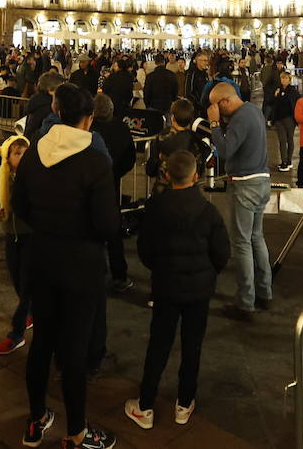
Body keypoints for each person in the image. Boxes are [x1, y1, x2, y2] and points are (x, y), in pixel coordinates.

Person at [13, 83, 120, 449]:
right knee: (73, 349)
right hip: (81, 263)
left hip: (41, 257)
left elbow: (20, 205)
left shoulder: (34, 153)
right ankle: (76, 431)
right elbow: (108, 224)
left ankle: (36, 417)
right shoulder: (94, 161)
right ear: (88, 118)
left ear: (57, 111)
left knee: (42, 341)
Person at [123, 150, 229, 432]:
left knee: (158, 345)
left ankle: (145, 406)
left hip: (166, 288)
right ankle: (184, 403)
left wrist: (160, 268)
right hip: (198, 291)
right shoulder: (208, 211)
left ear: (167, 175)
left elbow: (145, 250)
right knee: (192, 347)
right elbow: (222, 252)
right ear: (196, 176)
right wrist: (206, 273)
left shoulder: (156, 207)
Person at [208, 82, 274, 323]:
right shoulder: (253, 111)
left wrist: (215, 124)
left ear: (224, 101)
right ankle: (265, 292)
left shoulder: (241, 118)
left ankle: (246, 303)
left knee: (242, 243)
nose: (214, 110)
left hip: (245, 184)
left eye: (215, 106)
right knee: (256, 237)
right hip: (261, 180)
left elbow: (225, 150)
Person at [0, 135, 33, 357]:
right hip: (11, 235)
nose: (22, 157)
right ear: (7, 158)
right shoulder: (5, 177)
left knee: (26, 287)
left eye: (25, 152)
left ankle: (15, 334)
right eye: (17, 153)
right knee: (17, 282)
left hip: (30, 237)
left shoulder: (35, 177)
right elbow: (2, 201)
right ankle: (30, 311)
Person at [92, 92, 137, 292]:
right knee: (113, 230)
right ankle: (119, 275)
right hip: (111, 185)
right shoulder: (121, 128)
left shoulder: (88, 129)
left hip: (90, 186)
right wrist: (116, 173)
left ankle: (95, 273)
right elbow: (130, 158)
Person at [270, 71, 300, 171]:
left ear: (289, 79)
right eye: (282, 78)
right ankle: (283, 161)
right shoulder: (277, 89)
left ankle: (289, 160)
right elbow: (273, 103)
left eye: (286, 78)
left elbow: (296, 104)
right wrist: (275, 96)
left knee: (289, 139)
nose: (284, 80)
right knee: (282, 140)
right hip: (279, 119)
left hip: (289, 119)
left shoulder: (293, 91)